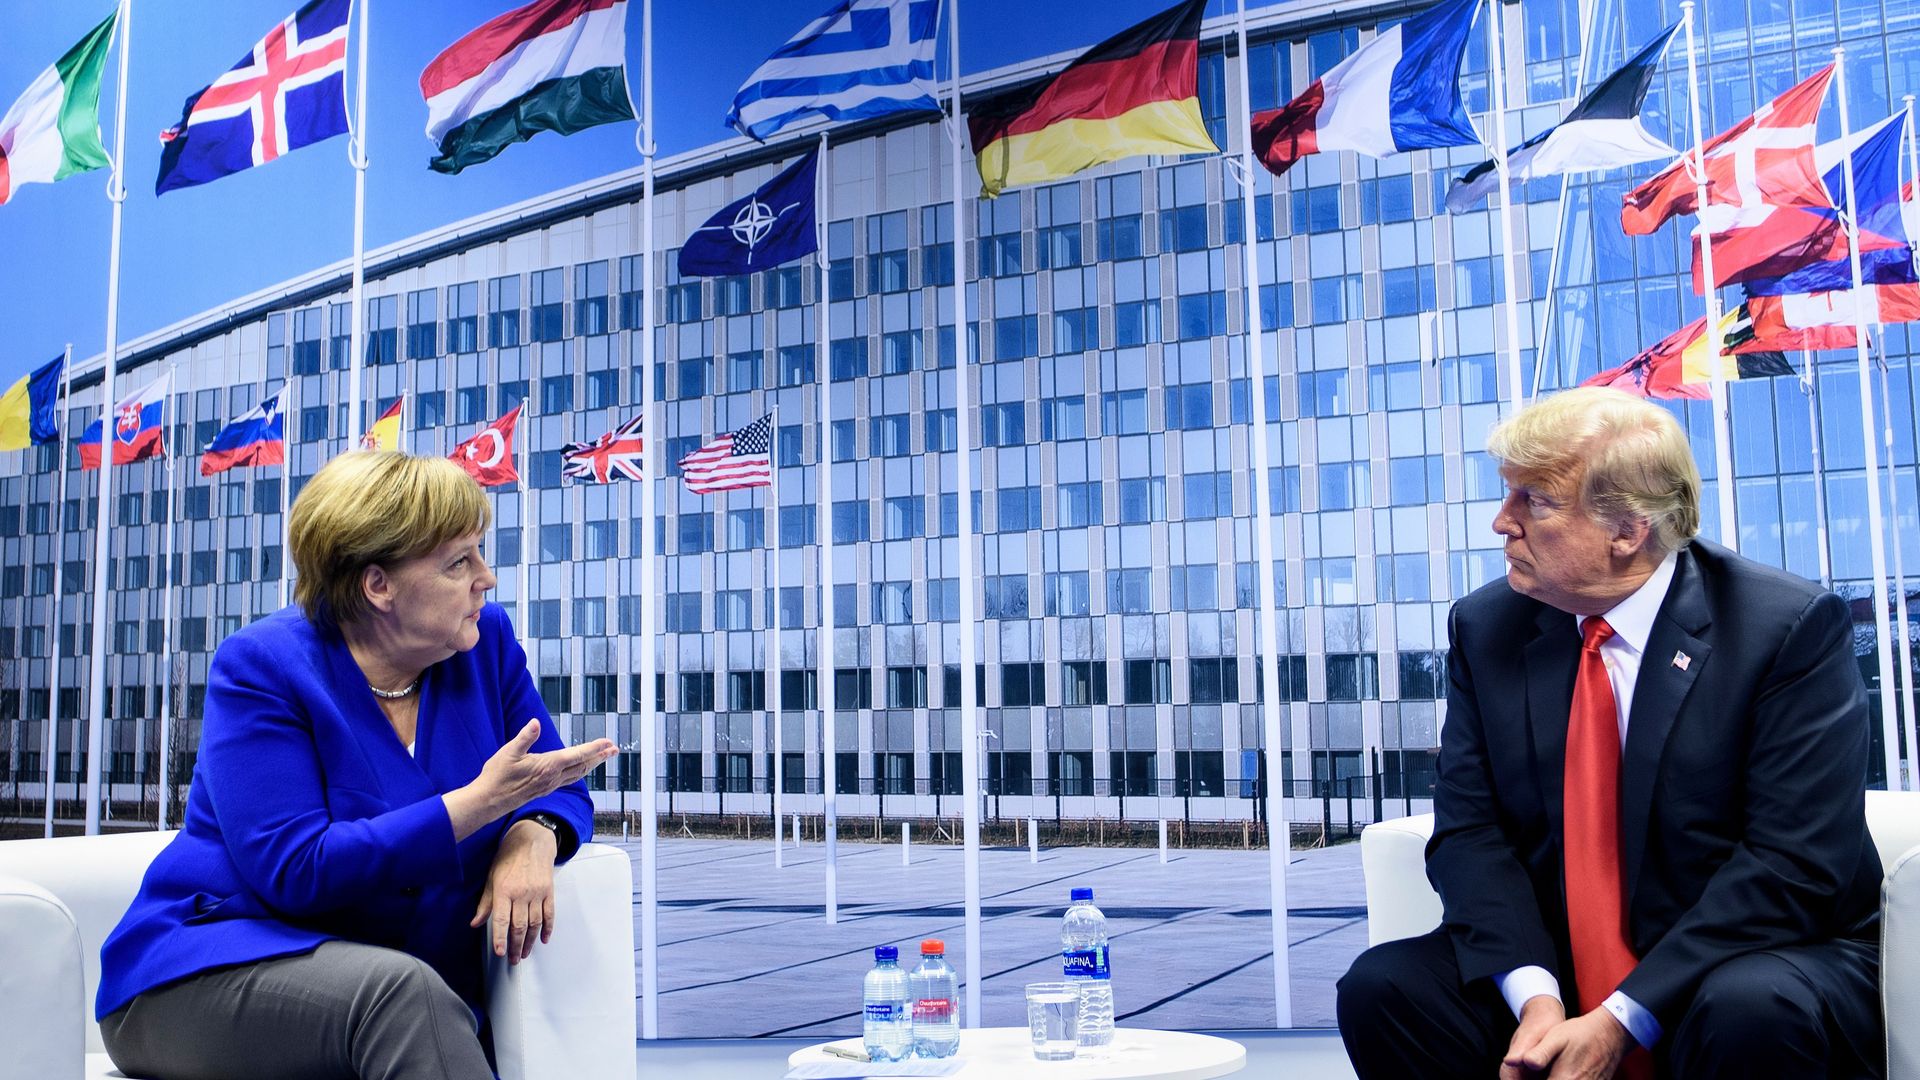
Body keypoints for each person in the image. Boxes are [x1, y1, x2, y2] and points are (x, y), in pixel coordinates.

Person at [1338, 386, 1884, 1079]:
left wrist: (1623, 1017)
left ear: (1627, 530)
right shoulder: (1488, 627)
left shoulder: (1785, 630)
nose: (1500, 522)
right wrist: (1537, 1000)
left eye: (1533, 501)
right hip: (1562, 961)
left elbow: (1791, 866)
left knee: (1750, 1005)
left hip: (1747, 954)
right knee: (1386, 988)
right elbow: (1470, 833)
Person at [95, 451, 619, 1079]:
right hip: (210, 966)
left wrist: (530, 836)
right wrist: (479, 805)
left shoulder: (484, 645)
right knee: (404, 997)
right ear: (378, 586)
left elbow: (557, 786)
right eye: (460, 562)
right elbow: (295, 867)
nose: (487, 578)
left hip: (396, 987)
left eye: (479, 553)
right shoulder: (262, 667)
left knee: (409, 996)